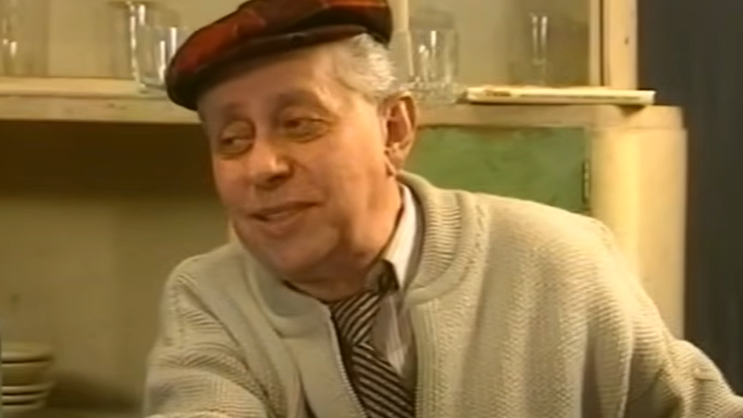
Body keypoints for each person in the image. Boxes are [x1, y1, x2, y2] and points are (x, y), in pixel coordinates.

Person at [144, 0, 743, 416]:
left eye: (300, 123)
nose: (263, 166)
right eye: (233, 140)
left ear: (394, 129)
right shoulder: (210, 297)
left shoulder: (560, 261)